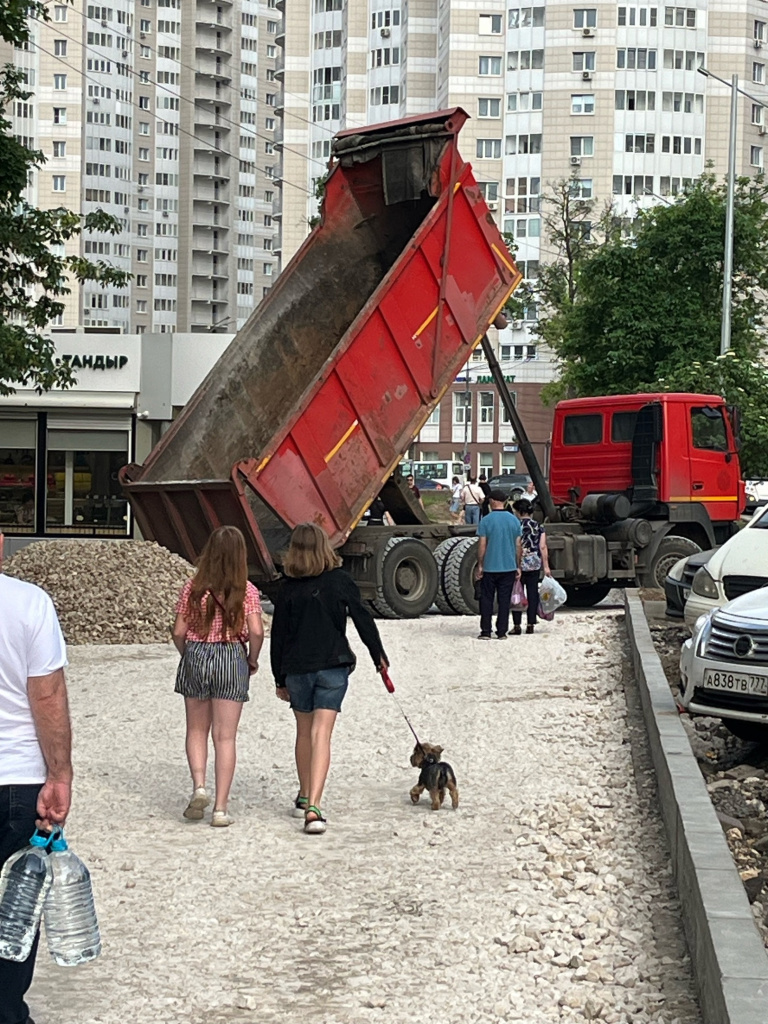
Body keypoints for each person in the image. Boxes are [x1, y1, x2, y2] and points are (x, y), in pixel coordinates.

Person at [270, 523, 388, 835]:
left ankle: (305, 791)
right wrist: (378, 656)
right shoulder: (340, 581)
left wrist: (278, 678)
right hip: (333, 666)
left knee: (304, 733)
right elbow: (361, 617)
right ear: (325, 547)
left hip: (297, 669)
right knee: (322, 734)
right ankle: (314, 807)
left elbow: (278, 635)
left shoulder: (286, 587)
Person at [0, 532, 72, 1024]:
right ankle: (6, 1009)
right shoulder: (28, 604)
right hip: (17, 777)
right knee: (15, 907)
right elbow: (46, 697)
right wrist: (60, 772)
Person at [172, 525, 264, 828]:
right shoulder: (246, 590)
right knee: (225, 737)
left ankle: (199, 786)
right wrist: (252, 659)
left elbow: (178, 632)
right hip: (230, 655)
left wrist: (188, 654)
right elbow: (256, 631)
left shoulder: (192, 588)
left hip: (197, 653)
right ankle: (221, 808)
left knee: (196, 730)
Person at [475, 489, 522, 639]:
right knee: (504, 600)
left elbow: (482, 545)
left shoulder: (486, 520)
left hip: (490, 566)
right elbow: (518, 545)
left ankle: (486, 631)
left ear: (493, 501)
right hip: (508, 566)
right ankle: (502, 632)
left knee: (487, 599)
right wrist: (518, 565)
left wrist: (480, 565)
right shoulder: (514, 520)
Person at [511, 498, 551, 635]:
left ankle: (517, 625)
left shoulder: (516, 526)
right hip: (534, 563)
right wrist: (546, 566)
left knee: (517, 593)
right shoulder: (539, 526)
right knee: (532, 593)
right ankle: (530, 624)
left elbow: (516, 545)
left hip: (518, 563)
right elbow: (543, 547)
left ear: (519, 512)